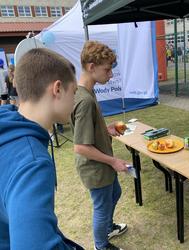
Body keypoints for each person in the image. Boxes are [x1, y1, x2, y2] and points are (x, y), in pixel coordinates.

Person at [0, 48, 83, 249]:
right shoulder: (32, 163)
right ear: (57, 89)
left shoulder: (7, 131)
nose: (74, 101)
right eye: (73, 92)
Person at [70, 41, 128, 250]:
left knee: (115, 193)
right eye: (107, 69)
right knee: (102, 207)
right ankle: (101, 245)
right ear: (91, 67)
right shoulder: (84, 100)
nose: (110, 75)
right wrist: (113, 161)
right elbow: (80, 146)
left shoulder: (87, 92)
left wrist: (107, 129)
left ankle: (107, 228)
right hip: (94, 166)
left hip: (100, 162)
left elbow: (88, 131)